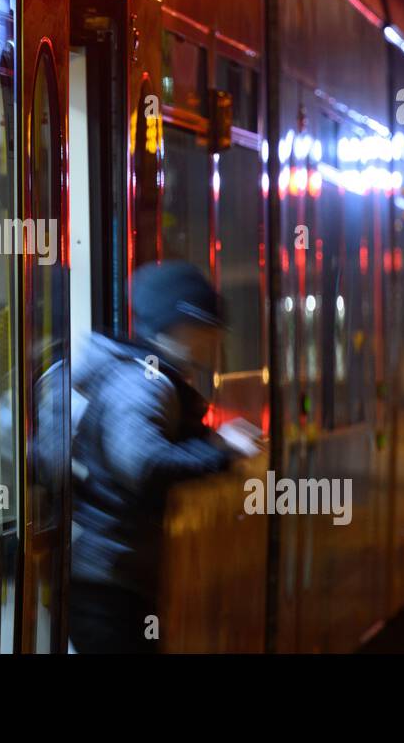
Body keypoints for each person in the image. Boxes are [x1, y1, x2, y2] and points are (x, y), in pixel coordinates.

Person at [68, 261, 236, 653]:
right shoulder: (142, 383)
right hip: (107, 576)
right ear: (183, 326)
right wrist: (218, 454)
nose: (217, 341)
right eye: (210, 329)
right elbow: (142, 463)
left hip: (115, 572)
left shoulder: (151, 378)